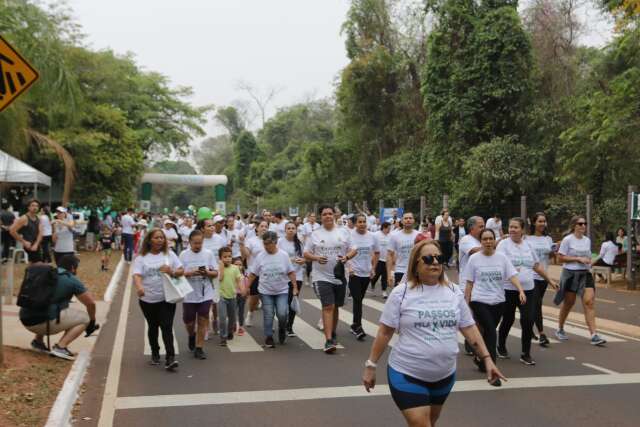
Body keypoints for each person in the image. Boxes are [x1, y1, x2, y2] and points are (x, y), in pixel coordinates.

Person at [362, 240, 506, 427]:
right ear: (416, 264)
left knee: (430, 421)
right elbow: (384, 332)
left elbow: (469, 327)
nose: (435, 262)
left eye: (439, 258)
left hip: (444, 375)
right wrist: (371, 365)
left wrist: (487, 359)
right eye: (429, 258)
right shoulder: (401, 293)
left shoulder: (454, 291)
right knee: (422, 424)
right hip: (407, 373)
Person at [496, 218, 556, 365]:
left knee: (528, 320)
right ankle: (501, 345)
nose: (512, 230)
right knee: (508, 319)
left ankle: (525, 353)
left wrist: (550, 280)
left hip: (529, 289)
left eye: (515, 227)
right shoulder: (503, 245)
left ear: (522, 230)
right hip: (509, 290)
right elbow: (498, 265)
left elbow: (537, 266)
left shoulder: (528, 245)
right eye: (510, 227)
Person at [19, 255, 97, 360]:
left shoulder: (45, 273)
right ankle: (61, 347)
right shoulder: (71, 279)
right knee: (84, 318)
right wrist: (92, 321)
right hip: (43, 323)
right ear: (73, 268)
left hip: (25, 318)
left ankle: (38, 342)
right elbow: (91, 303)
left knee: (46, 304)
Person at [465, 229, 522, 371]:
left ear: (495, 240)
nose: (488, 242)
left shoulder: (502, 258)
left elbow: (512, 275)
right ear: (481, 241)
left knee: (488, 332)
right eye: (485, 239)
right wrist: (466, 303)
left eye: (491, 238)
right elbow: (469, 283)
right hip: (479, 300)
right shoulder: (474, 259)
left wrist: (520, 290)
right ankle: (492, 367)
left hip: (498, 301)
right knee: (491, 331)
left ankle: (480, 357)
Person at [133, 228, 184, 371]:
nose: (160, 240)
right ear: (149, 240)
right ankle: (155, 353)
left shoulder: (170, 254)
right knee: (153, 326)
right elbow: (136, 275)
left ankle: (170, 358)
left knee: (167, 326)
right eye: (156, 238)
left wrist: (172, 271)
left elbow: (181, 270)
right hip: (147, 299)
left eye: (162, 238)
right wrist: (139, 287)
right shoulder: (141, 258)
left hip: (166, 298)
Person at [304, 205, 353, 353]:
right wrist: (316, 258)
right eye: (324, 214)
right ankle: (328, 340)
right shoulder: (315, 234)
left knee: (336, 306)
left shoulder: (343, 232)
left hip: (339, 276)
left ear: (334, 215)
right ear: (321, 217)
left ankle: (332, 332)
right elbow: (306, 253)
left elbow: (353, 249)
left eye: (330, 213)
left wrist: (346, 257)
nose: (327, 216)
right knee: (328, 306)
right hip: (321, 276)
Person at [554, 216, 607, 346]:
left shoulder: (587, 240)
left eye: (585, 223)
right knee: (569, 303)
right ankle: (560, 328)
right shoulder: (567, 240)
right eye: (580, 223)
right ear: (574, 226)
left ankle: (594, 335)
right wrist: (577, 259)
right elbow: (560, 258)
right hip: (571, 274)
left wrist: (589, 261)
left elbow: (588, 256)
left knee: (589, 302)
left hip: (585, 274)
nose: (583, 226)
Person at [247, 231, 298, 347]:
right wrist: (247, 287)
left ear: (275, 242)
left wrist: (295, 287)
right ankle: (269, 336)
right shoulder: (260, 256)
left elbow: (291, 272)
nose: (266, 246)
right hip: (266, 291)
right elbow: (253, 274)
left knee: (282, 313)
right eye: (264, 244)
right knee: (268, 314)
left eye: (268, 244)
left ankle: (282, 328)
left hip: (282, 290)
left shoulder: (283, 255)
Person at [179, 229, 217, 359]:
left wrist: (206, 272)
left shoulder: (208, 254)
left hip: (205, 292)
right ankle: (191, 335)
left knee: (203, 318)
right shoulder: (183, 255)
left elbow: (216, 272)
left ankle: (199, 347)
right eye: (195, 243)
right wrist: (189, 273)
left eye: (200, 243)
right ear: (189, 242)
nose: (198, 246)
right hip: (189, 293)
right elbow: (178, 273)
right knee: (188, 321)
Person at [526, 212, 556, 346]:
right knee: (537, 304)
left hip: (544, 276)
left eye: (544, 221)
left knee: (535, 305)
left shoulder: (548, 239)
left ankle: (528, 328)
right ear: (533, 223)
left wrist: (553, 251)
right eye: (540, 221)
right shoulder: (527, 239)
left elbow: (549, 257)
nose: (543, 224)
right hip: (531, 276)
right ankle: (542, 334)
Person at [347, 213, 379, 340]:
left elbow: (376, 253)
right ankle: (358, 327)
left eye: (364, 221)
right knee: (357, 299)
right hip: (354, 272)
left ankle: (354, 324)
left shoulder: (372, 236)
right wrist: (349, 267)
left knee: (359, 300)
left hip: (366, 273)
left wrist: (373, 268)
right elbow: (345, 252)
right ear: (355, 224)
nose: (362, 224)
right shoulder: (350, 236)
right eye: (359, 222)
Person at [278, 222, 306, 337]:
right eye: (288, 228)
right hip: (283, 276)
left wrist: (303, 260)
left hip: (297, 275)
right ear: (285, 230)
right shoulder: (280, 242)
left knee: (293, 300)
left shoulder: (299, 243)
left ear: (296, 230)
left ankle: (289, 326)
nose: (290, 230)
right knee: (284, 302)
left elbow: (305, 256)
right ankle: (282, 323)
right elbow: (277, 256)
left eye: (293, 228)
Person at [240, 219, 269, 327]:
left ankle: (268, 321)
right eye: (262, 226)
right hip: (254, 273)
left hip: (268, 273)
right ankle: (250, 313)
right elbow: (247, 254)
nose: (264, 228)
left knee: (268, 298)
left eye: (266, 226)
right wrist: (242, 244)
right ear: (257, 228)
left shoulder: (271, 241)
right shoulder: (251, 240)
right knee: (254, 298)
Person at [386, 212, 420, 298]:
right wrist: (389, 274)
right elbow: (389, 254)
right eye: (405, 218)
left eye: (410, 218)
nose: (408, 220)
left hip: (415, 271)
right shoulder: (395, 236)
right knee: (400, 297)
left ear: (413, 220)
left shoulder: (419, 235)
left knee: (415, 296)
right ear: (402, 221)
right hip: (400, 270)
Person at [218, 247, 242, 346]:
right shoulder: (218, 268)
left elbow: (238, 280)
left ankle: (230, 331)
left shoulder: (235, 268)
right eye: (225, 257)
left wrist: (242, 290)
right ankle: (223, 337)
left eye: (229, 256)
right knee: (223, 317)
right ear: (220, 258)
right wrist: (221, 267)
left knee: (232, 317)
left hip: (232, 295)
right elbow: (220, 278)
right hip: (221, 296)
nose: (228, 258)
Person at [10, 199, 43, 263]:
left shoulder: (38, 218)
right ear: (28, 207)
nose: (35, 207)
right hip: (29, 245)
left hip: (36, 244)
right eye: (32, 205)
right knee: (38, 264)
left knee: (34, 266)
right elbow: (12, 231)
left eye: (37, 206)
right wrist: (24, 241)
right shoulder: (24, 218)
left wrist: (36, 244)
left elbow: (40, 233)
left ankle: (28, 272)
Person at [371, 222, 391, 294]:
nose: (389, 230)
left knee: (384, 276)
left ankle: (384, 291)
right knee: (376, 275)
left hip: (387, 260)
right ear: (384, 228)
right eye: (388, 228)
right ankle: (372, 283)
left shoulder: (390, 236)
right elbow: (372, 245)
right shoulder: (376, 234)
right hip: (378, 259)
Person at [234, 257, 248, 336]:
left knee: (241, 312)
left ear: (242, 266)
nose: (238, 266)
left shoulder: (244, 275)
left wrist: (246, 293)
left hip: (242, 296)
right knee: (232, 311)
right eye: (236, 264)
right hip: (233, 295)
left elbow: (247, 286)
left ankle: (241, 327)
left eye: (240, 265)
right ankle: (233, 324)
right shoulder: (231, 274)